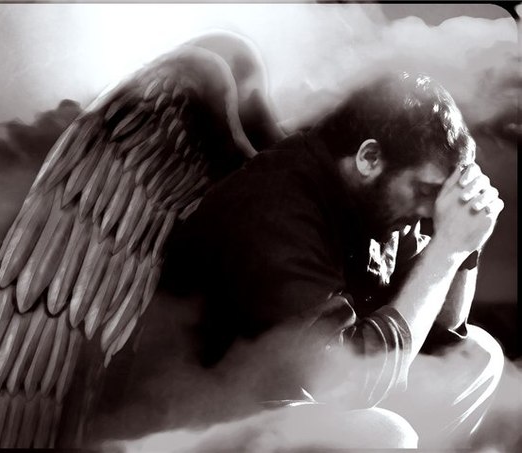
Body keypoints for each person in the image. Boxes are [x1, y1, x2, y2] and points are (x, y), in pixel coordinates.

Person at [103, 72, 505, 451]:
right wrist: (447, 248)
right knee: (382, 435)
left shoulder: (376, 203)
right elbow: (349, 380)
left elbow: (440, 329)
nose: (430, 213)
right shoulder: (271, 211)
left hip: (295, 407)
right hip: (197, 427)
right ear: (369, 158)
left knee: (476, 359)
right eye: (424, 191)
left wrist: (464, 243)